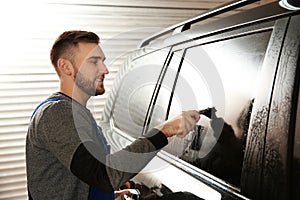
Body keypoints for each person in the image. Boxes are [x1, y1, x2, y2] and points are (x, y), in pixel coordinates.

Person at [26, 30, 200, 200]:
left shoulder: (76, 113)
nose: (105, 70)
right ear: (66, 67)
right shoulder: (56, 113)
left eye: (103, 61)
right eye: (94, 62)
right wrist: (164, 130)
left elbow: (85, 173)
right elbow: (103, 176)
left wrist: (109, 196)